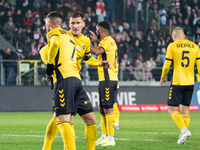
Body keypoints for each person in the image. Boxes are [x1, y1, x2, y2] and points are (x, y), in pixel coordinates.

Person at [40, 11, 111, 150]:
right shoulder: (65, 35)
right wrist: (51, 67)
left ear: (83, 23)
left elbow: (87, 57)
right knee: (61, 118)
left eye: (78, 23)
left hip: (72, 79)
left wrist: (99, 63)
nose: (75, 26)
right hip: (65, 79)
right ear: (68, 24)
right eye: (72, 23)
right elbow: (47, 50)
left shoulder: (84, 40)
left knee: (88, 118)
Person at [42, 11, 82, 150]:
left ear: (49, 23)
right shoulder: (69, 37)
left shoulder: (55, 33)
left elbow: (54, 43)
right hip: (76, 79)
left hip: (64, 79)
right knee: (63, 119)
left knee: (62, 120)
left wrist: (49, 65)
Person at [160, 27, 200, 145]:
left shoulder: (172, 46)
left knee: (171, 109)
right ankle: (182, 136)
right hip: (190, 83)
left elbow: (167, 65)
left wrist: (163, 76)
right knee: (185, 111)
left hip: (177, 82)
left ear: (174, 36)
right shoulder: (195, 47)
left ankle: (184, 131)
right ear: (183, 35)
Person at [90, 21, 119, 146]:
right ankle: (104, 136)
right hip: (104, 79)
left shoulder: (106, 42)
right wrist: (96, 41)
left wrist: (83, 44)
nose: (96, 31)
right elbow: (103, 49)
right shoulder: (110, 41)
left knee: (108, 108)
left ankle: (111, 139)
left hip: (108, 79)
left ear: (100, 30)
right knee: (102, 109)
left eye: (97, 29)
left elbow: (97, 52)